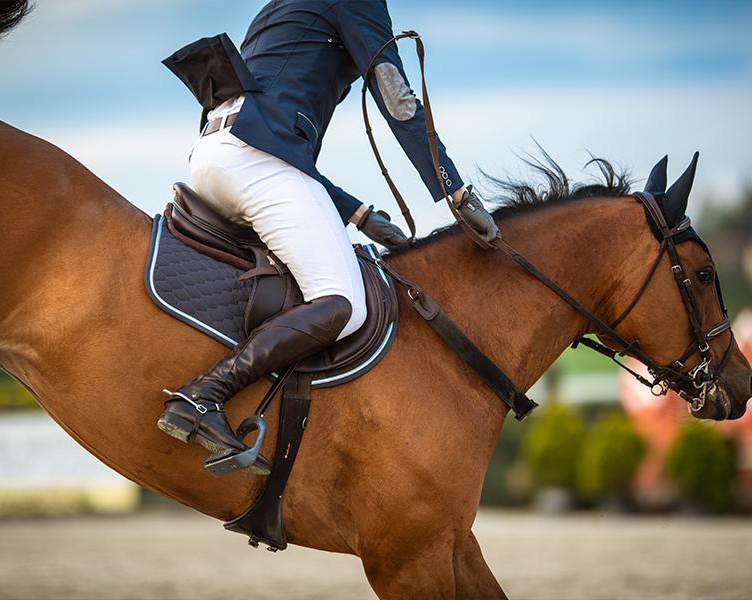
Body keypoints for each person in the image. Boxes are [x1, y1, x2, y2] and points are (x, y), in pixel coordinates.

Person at [158, 0, 499, 468]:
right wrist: (457, 192)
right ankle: (204, 395)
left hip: (212, 158)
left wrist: (357, 213)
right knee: (343, 302)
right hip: (258, 161)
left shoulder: (280, 6)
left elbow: (279, 134)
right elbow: (395, 96)